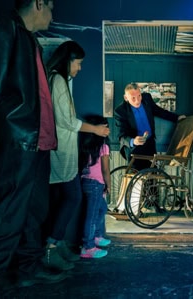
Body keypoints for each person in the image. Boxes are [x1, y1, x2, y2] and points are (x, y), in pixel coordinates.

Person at [0, 1, 67, 297]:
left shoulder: (26, 38)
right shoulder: (1, 27)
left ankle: (27, 270)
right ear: (38, 3)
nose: (53, 15)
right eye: (51, 8)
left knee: (33, 212)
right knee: (8, 212)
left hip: (36, 142)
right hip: (17, 139)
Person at [42, 40, 110, 271]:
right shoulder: (58, 80)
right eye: (78, 63)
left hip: (61, 150)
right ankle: (51, 247)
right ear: (67, 60)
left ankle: (55, 244)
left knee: (64, 198)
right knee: (72, 197)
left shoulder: (59, 79)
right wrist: (96, 129)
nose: (79, 68)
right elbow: (67, 121)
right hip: (60, 151)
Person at [114, 82, 186, 170]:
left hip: (150, 144)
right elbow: (121, 136)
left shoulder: (147, 98)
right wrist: (133, 141)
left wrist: (177, 117)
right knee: (137, 178)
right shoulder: (120, 111)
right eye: (133, 98)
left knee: (152, 175)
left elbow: (159, 111)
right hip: (134, 149)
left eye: (139, 96)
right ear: (126, 98)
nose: (137, 100)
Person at [79, 115, 112, 258]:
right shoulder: (103, 147)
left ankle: (97, 236)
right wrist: (108, 185)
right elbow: (105, 170)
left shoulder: (84, 145)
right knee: (91, 216)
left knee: (102, 208)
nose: (108, 129)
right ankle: (88, 246)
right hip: (96, 184)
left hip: (85, 182)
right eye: (105, 126)